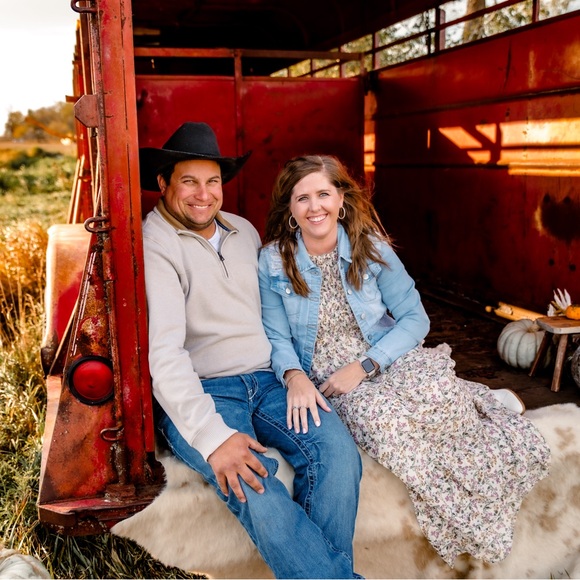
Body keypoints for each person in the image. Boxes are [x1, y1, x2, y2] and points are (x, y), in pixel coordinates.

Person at [257, 154, 551, 568]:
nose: (314, 207)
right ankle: (468, 504)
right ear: (289, 207)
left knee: (438, 393)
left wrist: (367, 365)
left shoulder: (371, 247)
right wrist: (294, 376)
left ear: (341, 199)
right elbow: (275, 334)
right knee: (388, 423)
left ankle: (475, 401)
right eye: (302, 198)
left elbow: (415, 319)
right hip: (328, 371)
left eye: (323, 194)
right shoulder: (273, 260)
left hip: (382, 353)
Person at [139, 124, 362, 579]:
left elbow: (277, 313)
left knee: (338, 454)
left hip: (267, 380)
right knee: (254, 483)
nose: (203, 195)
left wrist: (294, 373)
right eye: (189, 182)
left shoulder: (241, 230)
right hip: (207, 391)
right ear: (163, 183)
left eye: (213, 181)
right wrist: (213, 437)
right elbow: (165, 354)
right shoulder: (153, 242)